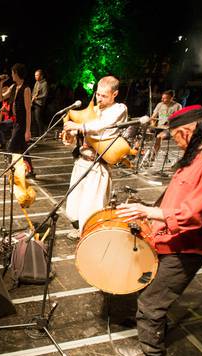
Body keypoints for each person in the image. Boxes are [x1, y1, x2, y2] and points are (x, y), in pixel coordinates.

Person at [115, 105, 202, 356]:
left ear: (187, 131)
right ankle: (148, 320)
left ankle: (151, 353)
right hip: (170, 235)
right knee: (148, 283)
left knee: (153, 299)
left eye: (175, 138)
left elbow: (196, 215)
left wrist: (149, 211)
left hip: (187, 244)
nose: (176, 144)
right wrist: (149, 214)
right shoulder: (201, 154)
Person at [62, 76, 128, 241]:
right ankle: (80, 229)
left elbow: (102, 127)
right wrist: (70, 135)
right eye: (98, 94)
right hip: (82, 160)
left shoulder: (119, 109)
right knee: (75, 200)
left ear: (115, 94)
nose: (99, 98)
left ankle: (90, 234)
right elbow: (83, 135)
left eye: (104, 96)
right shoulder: (95, 109)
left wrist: (79, 127)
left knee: (92, 203)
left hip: (98, 164)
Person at [0, 63, 34, 177]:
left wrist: (28, 130)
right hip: (15, 121)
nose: (11, 75)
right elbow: (0, 98)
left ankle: (9, 172)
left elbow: (28, 111)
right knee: (23, 148)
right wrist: (0, 84)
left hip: (22, 123)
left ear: (16, 73)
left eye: (13, 72)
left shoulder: (26, 89)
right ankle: (31, 170)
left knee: (11, 147)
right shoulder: (13, 87)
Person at [150, 90, 182, 157]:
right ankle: (152, 155)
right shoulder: (159, 105)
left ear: (171, 98)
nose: (162, 100)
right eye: (162, 98)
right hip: (159, 127)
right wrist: (152, 123)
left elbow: (180, 119)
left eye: (165, 98)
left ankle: (154, 154)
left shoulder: (177, 106)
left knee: (159, 137)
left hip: (170, 128)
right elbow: (153, 117)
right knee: (155, 137)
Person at [31, 69, 48, 137]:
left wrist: (37, 98)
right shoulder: (37, 83)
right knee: (33, 119)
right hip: (34, 103)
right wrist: (32, 97)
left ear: (41, 76)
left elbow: (45, 94)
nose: (35, 76)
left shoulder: (44, 83)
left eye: (37, 75)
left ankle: (42, 134)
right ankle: (36, 133)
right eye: (35, 75)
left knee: (38, 119)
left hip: (39, 104)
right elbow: (33, 92)